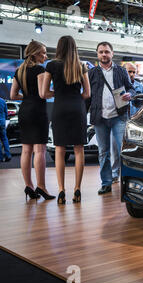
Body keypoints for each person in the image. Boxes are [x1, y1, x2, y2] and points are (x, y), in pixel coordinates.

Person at [43, 36, 91, 204]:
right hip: (77, 108)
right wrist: (74, 96)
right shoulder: (81, 66)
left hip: (60, 108)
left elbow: (44, 93)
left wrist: (58, 93)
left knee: (59, 150)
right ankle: (77, 189)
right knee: (79, 150)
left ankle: (61, 190)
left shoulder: (51, 65)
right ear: (74, 48)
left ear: (59, 47)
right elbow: (87, 94)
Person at [87, 41, 134, 194]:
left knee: (123, 151)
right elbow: (88, 96)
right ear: (97, 54)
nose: (104, 54)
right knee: (103, 152)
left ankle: (128, 182)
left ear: (112, 53)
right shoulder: (92, 73)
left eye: (106, 51)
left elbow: (131, 88)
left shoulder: (121, 71)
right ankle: (106, 182)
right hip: (100, 118)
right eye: (101, 52)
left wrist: (130, 95)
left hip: (119, 116)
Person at [10, 40, 54, 201]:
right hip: (37, 112)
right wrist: (59, 92)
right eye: (43, 52)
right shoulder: (39, 69)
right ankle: (41, 187)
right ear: (35, 54)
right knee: (40, 150)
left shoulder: (19, 70)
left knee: (26, 150)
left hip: (24, 111)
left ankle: (29, 186)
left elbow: (13, 95)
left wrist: (27, 97)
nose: (45, 55)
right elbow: (44, 94)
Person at [0, 97, 12, 162]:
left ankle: (0, 157)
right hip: (2, 123)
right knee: (4, 139)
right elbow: (6, 113)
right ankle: (8, 155)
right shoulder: (3, 101)